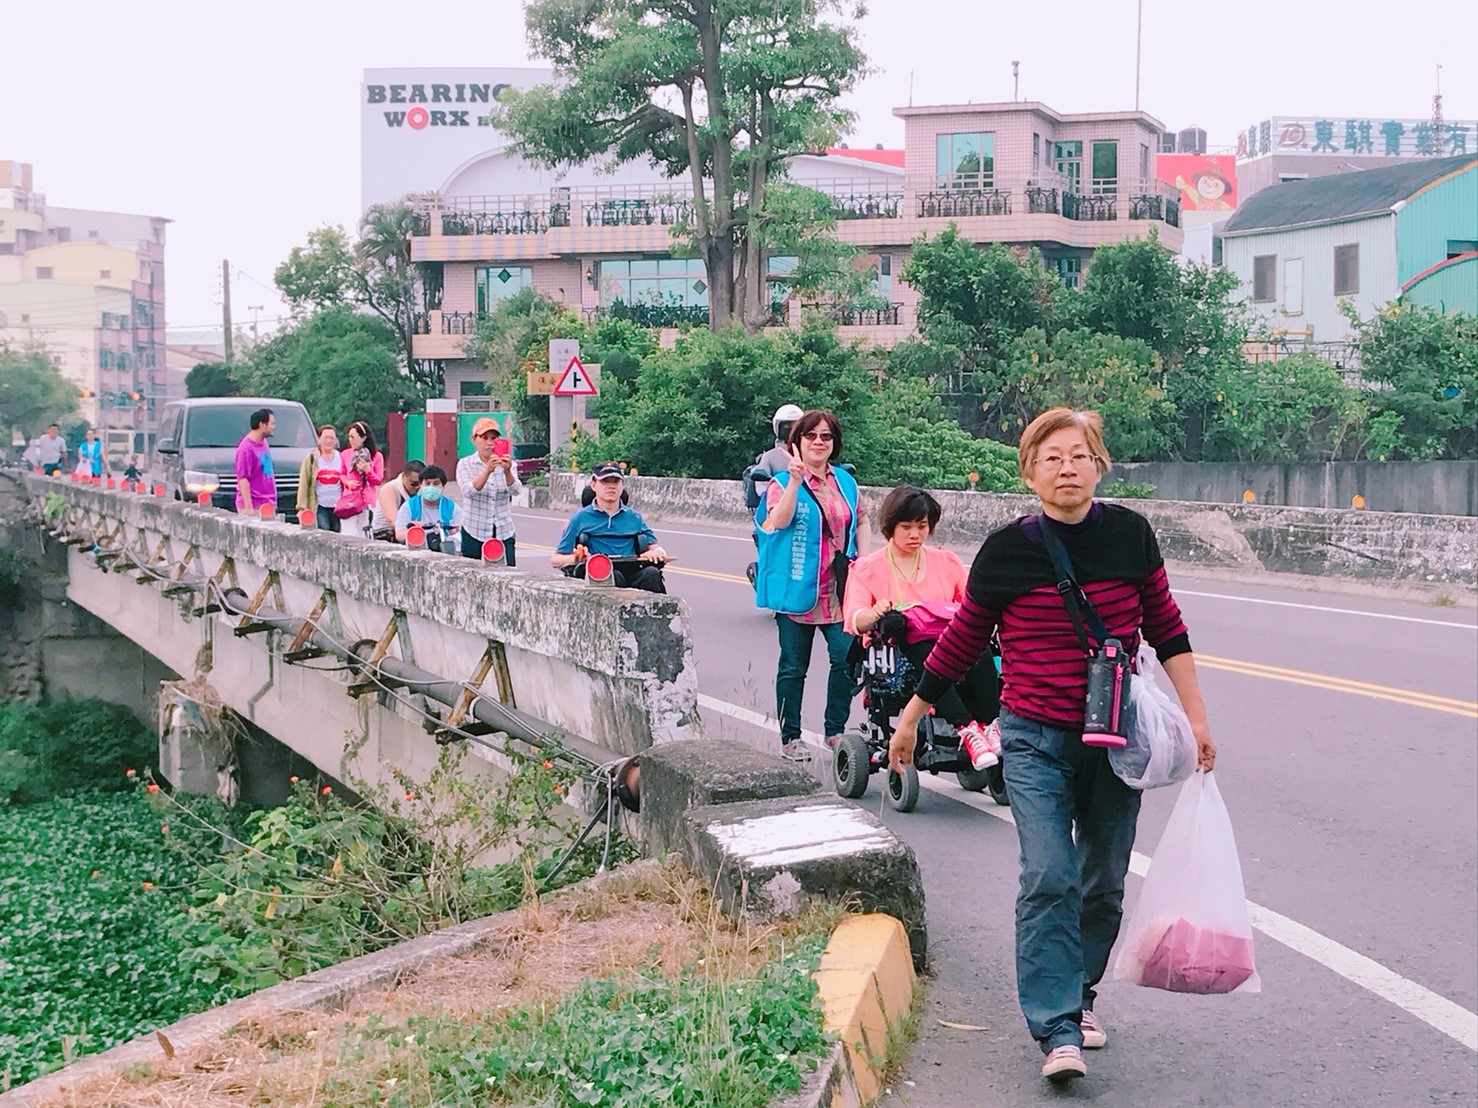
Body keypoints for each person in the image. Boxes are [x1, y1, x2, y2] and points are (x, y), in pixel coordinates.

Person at [888, 408, 1217, 1086]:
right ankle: (1056, 1027)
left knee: (1102, 883)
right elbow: (965, 638)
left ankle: (1082, 997)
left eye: (1079, 455)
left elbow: (1168, 628)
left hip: (1114, 739)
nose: (1067, 468)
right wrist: (914, 711)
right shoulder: (1010, 551)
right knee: (1049, 875)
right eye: (1052, 458)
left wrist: (1197, 718)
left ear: (1100, 463)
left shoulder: (1130, 535)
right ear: (1029, 472)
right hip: (1034, 736)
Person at [842, 485, 1000, 768]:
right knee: (929, 652)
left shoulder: (946, 562)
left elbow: (972, 607)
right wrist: (876, 612)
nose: (915, 534)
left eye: (922, 526)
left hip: (950, 641)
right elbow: (854, 619)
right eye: (906, 527)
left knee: (978, 646)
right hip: (902, 652)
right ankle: (967, 729)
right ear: (891, 527)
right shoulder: (869, 568)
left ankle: (989, 724)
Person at [754, 409, 870, 759]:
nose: (819, 442)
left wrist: (864, 563)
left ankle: (835, 731)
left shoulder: (845, 482)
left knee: (846, 661)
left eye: (826, 436)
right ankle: (791, 738)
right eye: (811, 436)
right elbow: (779, 520)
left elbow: (861, 519)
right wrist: (793, 481)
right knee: (793, 666)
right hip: (798, 588)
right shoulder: (781, 483)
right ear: (797, 442)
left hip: (839, 590)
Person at [551, 462, 668, 592]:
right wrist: (576, 558)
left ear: (622, 486)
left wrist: (656, 552)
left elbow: (655, 547)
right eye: (605, 482)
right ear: (593, 485)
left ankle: (660, 612)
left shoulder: (634, 517)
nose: (611, 486)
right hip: (599, 572)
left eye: (616, 482)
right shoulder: (580, 518)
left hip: (631, 568)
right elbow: (556, 560)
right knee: (613, 576)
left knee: (652, 574)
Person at [455, 417, 523, 564]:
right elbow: (468, 491)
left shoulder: (508, 464)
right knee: (472, 573)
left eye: (493, 438)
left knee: (508, 573)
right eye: (484, 438)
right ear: (474, 440)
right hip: (475, 529)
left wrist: (507, 472)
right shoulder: (465, 464)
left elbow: (516, 490)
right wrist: (487, 471)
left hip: (503, 529)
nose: (489, 443)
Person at [395, 464, 464, 552]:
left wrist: (454, 532)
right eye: (427, 483)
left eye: (436, 483)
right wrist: (415, 532)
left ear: (443, 486)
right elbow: (399, 534)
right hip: (417, 550)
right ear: (420, 484)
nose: (431, 487)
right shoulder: (409, 506)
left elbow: (461, 530)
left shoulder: (452, 507)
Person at [337, 421, 384, 537]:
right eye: (349, 437)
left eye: (353, 437)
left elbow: (378, 480)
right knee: (349, 532)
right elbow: (341, 474)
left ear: (363, 438)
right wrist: (347, 482)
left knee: (363, 532)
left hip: (366, 500)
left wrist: (368, 471)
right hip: (350, 499)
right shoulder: (345, 454)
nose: (350, 440)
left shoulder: (376, 456)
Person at [297, 425, 344, 532]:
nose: (328, 441)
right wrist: (301, 507)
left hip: (338, 505)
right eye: (325, 438)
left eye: (331, 438)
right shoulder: (312, 459)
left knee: (337, 533)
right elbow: (304, 483)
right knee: (324, 532)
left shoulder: (341, 458)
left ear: (336, 440)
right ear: (319, 439)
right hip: (320, 505)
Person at [234, 408, 277, 515]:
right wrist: (249, 507)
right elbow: (243, 478)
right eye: (272, 424)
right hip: (254, 506)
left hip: (268, 504)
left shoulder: (264, 443)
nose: (274, 427)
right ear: (262, 425)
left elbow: (267, 471)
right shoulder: (246, 448)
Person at [371, 459, 424, 542]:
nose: (417, 487)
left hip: (414, 530)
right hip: (385, 533)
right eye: (413, 484)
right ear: (403, 476)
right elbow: (393, 521)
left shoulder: (424, 490)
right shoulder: (389, 489)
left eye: (421, 484)